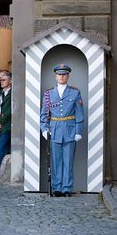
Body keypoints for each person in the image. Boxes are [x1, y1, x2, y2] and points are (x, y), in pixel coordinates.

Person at [40, 64, 84, 197]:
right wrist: (44, 128)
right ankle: (57, 188)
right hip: (54, 130)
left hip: (70, 130)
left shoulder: (75, 92)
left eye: (64, 74)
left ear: (68, 76)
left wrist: (78, 131)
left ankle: (67, 188)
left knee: (68, 161)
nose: (62, 76)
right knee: (56, 161)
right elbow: (44, 114)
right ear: (56, 76)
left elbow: (79, 113)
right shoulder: (48, 94)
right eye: (59, 74)